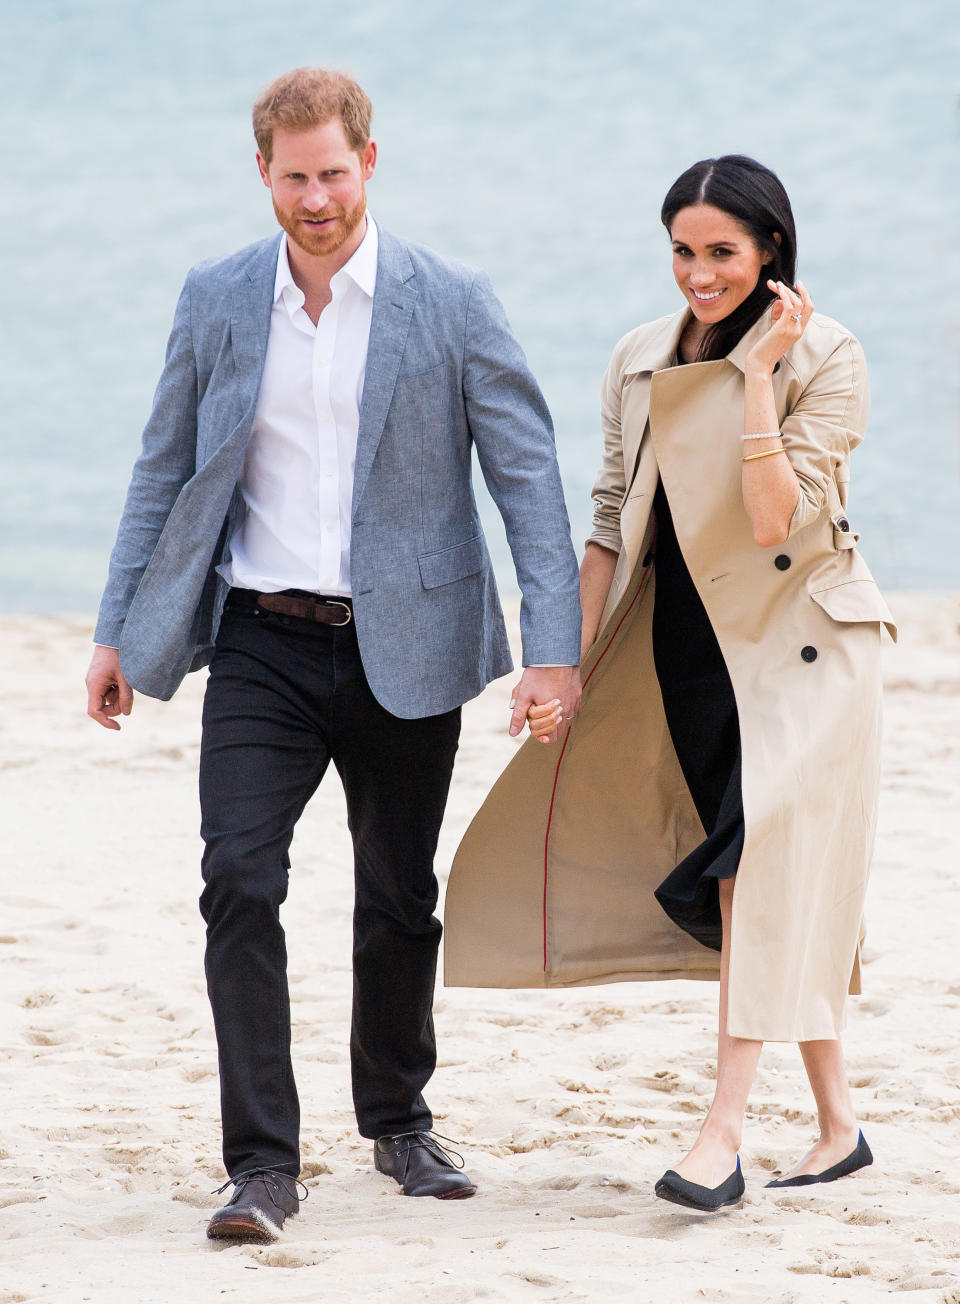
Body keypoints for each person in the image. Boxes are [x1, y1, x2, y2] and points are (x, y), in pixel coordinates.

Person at [85, 67, 581, 1242]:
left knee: (399, 895)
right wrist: (117, 626)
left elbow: (528, 481)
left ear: (371, 162)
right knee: (239, 878)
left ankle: (399, 1118)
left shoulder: (450, 299)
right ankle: (260, 1162)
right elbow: (162, 464)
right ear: (263, 172)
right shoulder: (217, 296)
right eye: (295, 177)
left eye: (335, 174)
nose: (317, 199)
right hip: (260, 637)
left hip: (405, 639)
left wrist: (550, 652)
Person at [444, 155, 895, 1212]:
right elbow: (608, 518)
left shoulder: (829, 355)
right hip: (689, 647)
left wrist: (755, 380)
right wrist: (565, 656)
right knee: (769, 882)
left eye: (723, 253)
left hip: (807, 653)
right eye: (684, 252)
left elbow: (779, 517)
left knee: (750, 871)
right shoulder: (639, 356)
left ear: (771, 249)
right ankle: (838, 1126)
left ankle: (720, 1133)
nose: (700, 273)